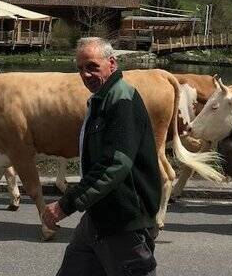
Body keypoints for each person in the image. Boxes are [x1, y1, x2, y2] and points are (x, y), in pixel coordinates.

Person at [42, 37, 160, 276]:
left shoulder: (121, 100)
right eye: (80, 69)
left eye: (92, 66)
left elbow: (114, 164)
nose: (85, 74)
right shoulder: (101, 100)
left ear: (112, 63)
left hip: (124, 221)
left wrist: (66, 204)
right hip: (98, 216)